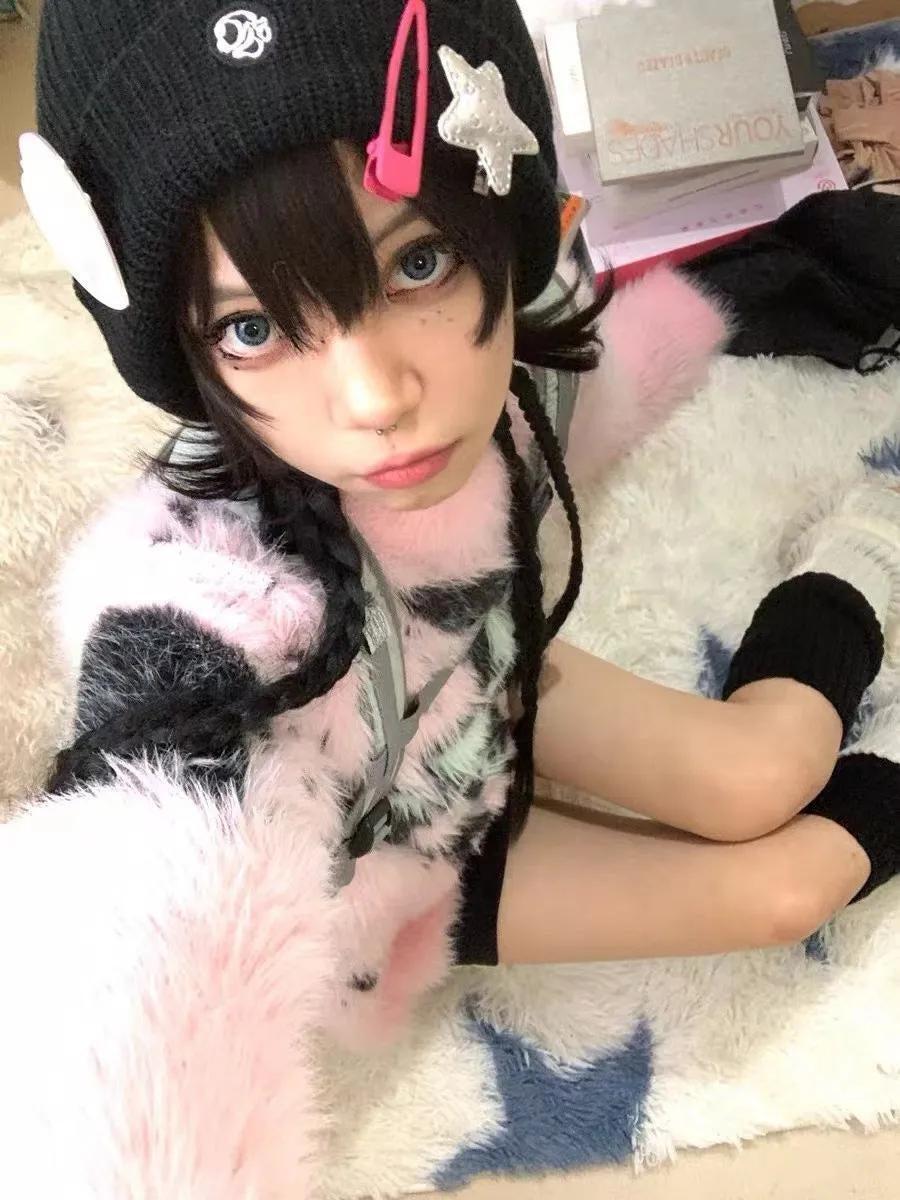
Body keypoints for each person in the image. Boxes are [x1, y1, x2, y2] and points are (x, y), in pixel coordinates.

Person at [4, 0, 899, 1190]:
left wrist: (732, 305)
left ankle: (877, 533)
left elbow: (588, 384)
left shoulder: (489, 389)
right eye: (254, 326)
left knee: (761, 772)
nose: (377, 397)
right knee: (787, 887)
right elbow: (127, 923)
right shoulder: (204, 602)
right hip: (389, 857)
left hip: (471, 674)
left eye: (415, 263)